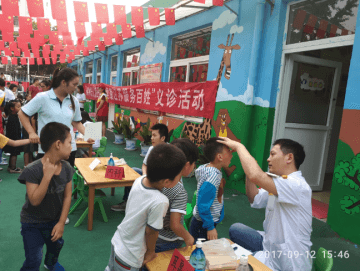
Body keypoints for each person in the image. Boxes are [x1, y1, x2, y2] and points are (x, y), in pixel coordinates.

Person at [219, 138, 312, 271]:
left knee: (238, 264)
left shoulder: (297, 185)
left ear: (289, 158)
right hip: (270, 245)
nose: (268, 159)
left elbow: (256, 175)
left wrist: (239, 147)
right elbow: (254, 198)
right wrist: (248, 172)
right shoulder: (278, 183)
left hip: (288, 262)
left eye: (273, 154)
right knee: (236, 229)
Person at [105, 144, 187, 271]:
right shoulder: (160, 201)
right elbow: (151, 232)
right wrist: (150, 252)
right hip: (131, 256)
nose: (180, 178)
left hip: (118, 241)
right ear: (166, 182)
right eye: (179, 175)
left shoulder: (140, 180)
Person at [18, 122, 74, 271]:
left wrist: (61, 222)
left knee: (55, 248)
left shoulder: (67, 168)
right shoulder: (32, 170)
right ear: (58, 144)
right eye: (69, 142)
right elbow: (34, 200)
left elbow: (68, 196)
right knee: (33, 259)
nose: (71, 147)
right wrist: (47, 176)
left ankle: (50, 263)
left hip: (54, 221)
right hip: (32, 223)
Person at [18, 68, 94, 167]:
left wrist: (88, 135)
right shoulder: (42, 97)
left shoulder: (74, 100)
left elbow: (76, 122)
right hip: (48, 149)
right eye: (74, 84)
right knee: (46, 181)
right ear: (63, 82)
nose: (76, 87)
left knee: (66, 180)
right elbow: (22, 113)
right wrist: (31, 133)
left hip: (69, 149)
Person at [111, 123, 169, 212]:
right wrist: (145, 175)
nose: (151, 138)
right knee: (133, 170)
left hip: (160, 179)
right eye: (151, 135)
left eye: (154, 135)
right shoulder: (151, 149)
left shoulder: (169, 152)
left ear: (163, 138)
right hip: (149, 175)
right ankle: (127, 201)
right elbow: (144, 164)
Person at [155, 138, 199, 253]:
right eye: (194, 163)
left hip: (153, 235)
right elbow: (175, 225)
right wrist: (188, 237)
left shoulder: (158, 179)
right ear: (187, 165)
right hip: (168, 241)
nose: (194, 167)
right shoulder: (179, 191)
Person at [189, 137, 233, 241]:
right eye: (229, 152)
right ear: (220, 157)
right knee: (200, 251)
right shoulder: (212, 178)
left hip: (203, 222)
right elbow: (203, 205)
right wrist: (210, 227)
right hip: (203, 224)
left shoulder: (208, 168)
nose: (231, 155)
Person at [2, 99, 22, 173]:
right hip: (14, 139)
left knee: (13, 153)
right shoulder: (13, 118)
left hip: (12, 138)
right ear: (12, 108)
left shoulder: (12, 116)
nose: (21, 108)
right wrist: (17, 140)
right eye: (18, 107)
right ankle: (12, 168)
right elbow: (14, 130)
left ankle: (10, 167)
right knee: (14, 153)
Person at [22, 93, 36, 167]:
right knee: (28, 148)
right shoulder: (31, 115)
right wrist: (33, 132)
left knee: (29, 148)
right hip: (29, 132)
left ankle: (29, 162)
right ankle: (27, 164)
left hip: (27, 132)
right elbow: (33, 126)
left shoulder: (26, 115)